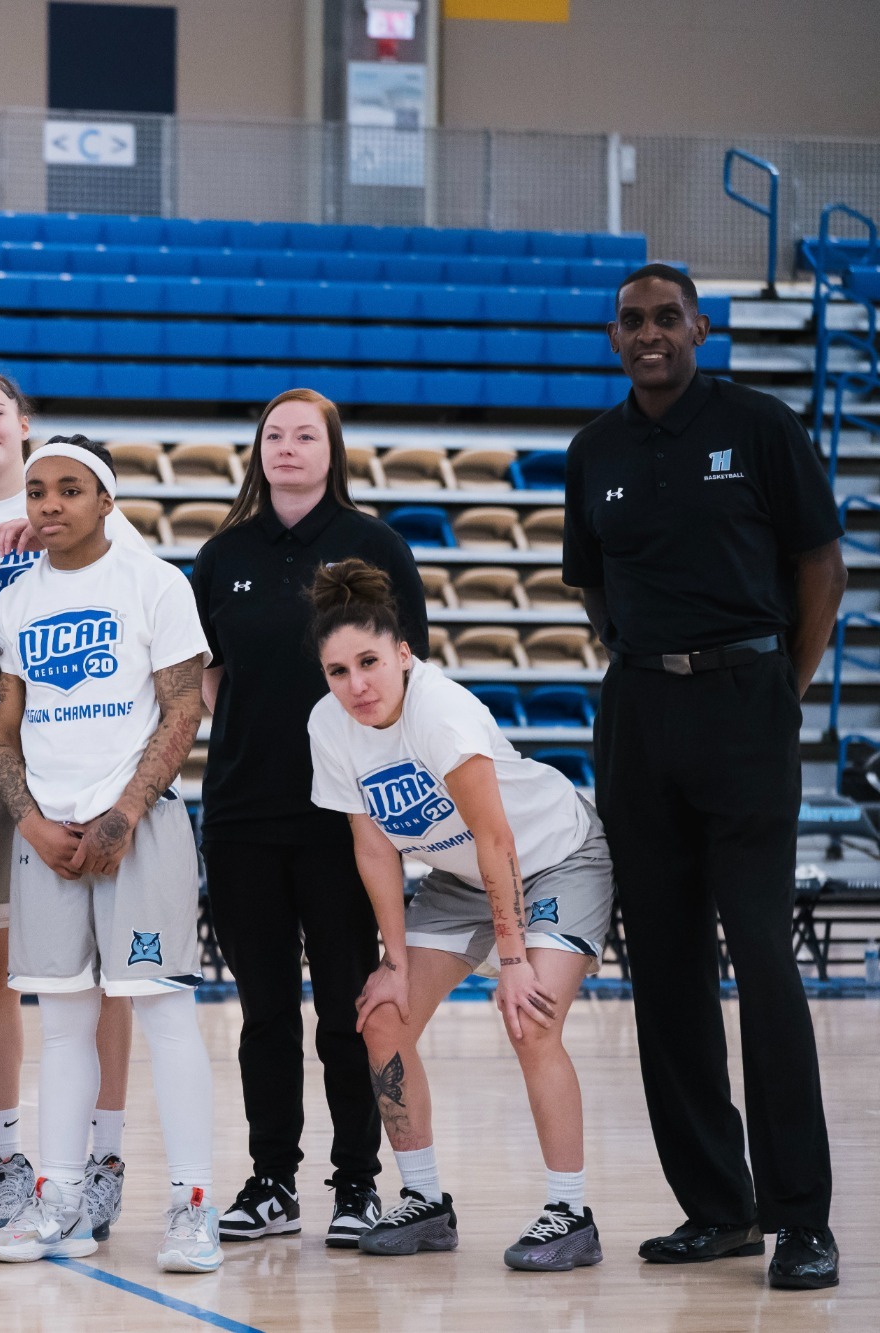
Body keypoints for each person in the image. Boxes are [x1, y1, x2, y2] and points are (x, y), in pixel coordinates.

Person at [564, 262, 843, 1289]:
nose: (648, 334)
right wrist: (641, 668)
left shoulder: (761, 427)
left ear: (700, 328)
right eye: (631, 321)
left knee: (762, 962)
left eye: (666, 319)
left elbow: (821, 565)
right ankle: (715, 1207)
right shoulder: (592, 451)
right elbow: (592, 585)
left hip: (744, 706)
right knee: (666, 971)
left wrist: (782, 687)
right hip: (639, 715)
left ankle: (800, 1217)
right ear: (613, 337)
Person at [306, 558, 613, 1272]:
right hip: (459, 875)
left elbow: (497, 838)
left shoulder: (439, 710)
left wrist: (511, 961)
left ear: (404, 653)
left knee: (529, 1015)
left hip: (551, 855)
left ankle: (570, 1211)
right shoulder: (330, 725)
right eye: (338, 670)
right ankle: (423, 1202)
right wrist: (394, 960)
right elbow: (374, 848)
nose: (357, 685)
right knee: (382, 1016)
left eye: (370, 662)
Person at [189, 389, 426, 1249]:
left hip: (346, 820)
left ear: (333, 449)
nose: (287, 447)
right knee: (263, 1013)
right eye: (273, 435)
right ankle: (271, 1179)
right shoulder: (223, 555)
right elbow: (206, 675)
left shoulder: (375, 546)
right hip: (245, 813)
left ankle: (359, 1181)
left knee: (346, 1009)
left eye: (304, 435)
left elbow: (407, 672)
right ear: (257, 450)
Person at [0, 438, 222, 1273]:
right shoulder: (14, 600)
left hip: (140, 824)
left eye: (69, 489)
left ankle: (194, 1204)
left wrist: (122, 815)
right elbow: (5, 725)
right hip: (47, 834)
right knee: (64, 1022)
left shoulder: (154, 582)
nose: (49, 504)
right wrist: (32, 819)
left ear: (106, 499)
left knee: (162, 1013)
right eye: (38, 490)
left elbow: (183, 710)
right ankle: (56, 1196)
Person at [0, 370, 139, 1240]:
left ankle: (103, 1157)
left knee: (100, 973)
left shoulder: (87, 506)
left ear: (23, 423)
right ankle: (10, 1157)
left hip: (68, 767)